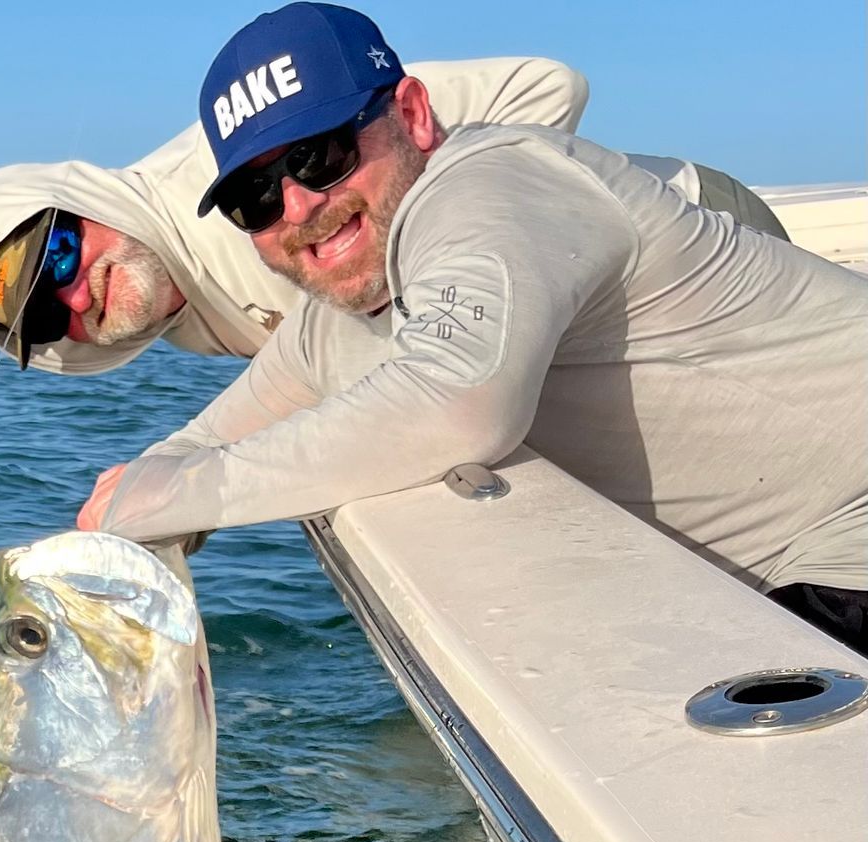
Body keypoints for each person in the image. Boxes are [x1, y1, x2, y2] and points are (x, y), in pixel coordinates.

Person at [75, 4, 867, 650]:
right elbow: (213, 438)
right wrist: (138, 497)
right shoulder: (340, 312)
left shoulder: (492, 185)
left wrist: (182, 495)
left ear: (413, 115)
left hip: (845, 529)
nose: (299, 207)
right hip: (782, 564)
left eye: (320, 156)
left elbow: (457, 402)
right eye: (255, 198)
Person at [0, 62, 784, 377]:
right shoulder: (177, 312)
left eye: (59, 253)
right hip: (628, 339)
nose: (76, 297)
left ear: (83, 200)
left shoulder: (236, 168)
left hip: (705, 240)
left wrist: (431, 260)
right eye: (45, 319)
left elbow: (547, 88)